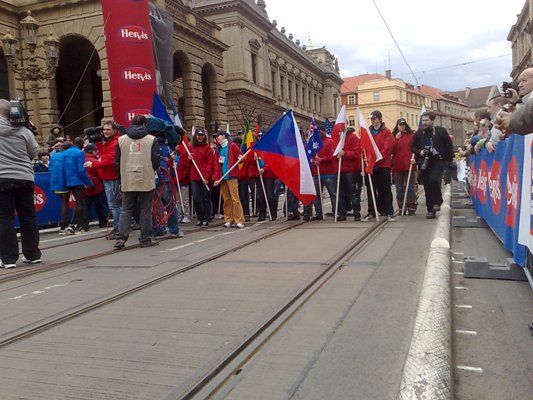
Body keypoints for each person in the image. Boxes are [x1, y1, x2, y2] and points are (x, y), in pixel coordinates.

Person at [0, 98, 41, 268]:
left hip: (2, 179)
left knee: (4, 219)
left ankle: (8, 258)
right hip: (24, 178)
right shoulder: (24, 131)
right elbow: (34, 152)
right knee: (28, 217)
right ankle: (32, 255)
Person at [114, 115, 161, 248]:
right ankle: (145, 238)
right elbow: (156, 161)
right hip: (146, 178)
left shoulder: (121, 140)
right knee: (145, 210)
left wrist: (120, 179)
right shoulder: (152, 139)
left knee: (126, 209)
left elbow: (116, 162)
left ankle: (121, 238)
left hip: (127, 178)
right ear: (145, 125)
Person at [412, 111, 454, 219]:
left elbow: (449, 145)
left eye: (426, 120)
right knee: (427, 185)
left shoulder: (441, 131)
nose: (424, 122)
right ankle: (430, 210)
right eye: (423, 120)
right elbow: (413, 147)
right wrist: (419, 152)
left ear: (432, 120)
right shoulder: (419, 133)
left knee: (433, 179)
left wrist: (448, 160)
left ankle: (438, 200)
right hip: (425, 162)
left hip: (438, 161)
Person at [85, 120, 122, 239]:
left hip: (112, 176)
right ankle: (119, 227)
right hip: (108, 176)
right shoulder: (109, 142)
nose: (105, 132)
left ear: (114, 130)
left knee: (114, 204)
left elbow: (109, 160)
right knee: (114, 204)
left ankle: (119, 229)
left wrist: (93, 164)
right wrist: (99, 143)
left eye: (108, 130)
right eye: (104, 129)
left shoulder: (115, 142)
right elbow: (103, 155)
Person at [363, 110, 395, 222]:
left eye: (375, 119)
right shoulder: (368, 132)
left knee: (385, 189)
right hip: (371, 165)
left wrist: (376, 158)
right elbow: (365, 147)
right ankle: (371, 211)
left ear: (380, 119)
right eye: (371, 119)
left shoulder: (387, 132)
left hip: (383, 165)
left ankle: (389, 211)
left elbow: (387, 149)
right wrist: (367, 157)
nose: (373, 121)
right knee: (371, 189)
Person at [213, 130, 245, 228]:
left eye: (218, 136)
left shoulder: (232, 146)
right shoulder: (218, 149)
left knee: (235, 199)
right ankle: (228, 219)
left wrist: (240, 157)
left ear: (223, 136)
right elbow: (217, 165)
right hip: (223, 177)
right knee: (226, 199)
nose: (216, 138)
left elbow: (240, 157)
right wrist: (216, 178)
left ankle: (239, 220)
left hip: (232, 176)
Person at [62, 137, 92, 233]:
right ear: (81, 144)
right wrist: (88, 182)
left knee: (75, 202)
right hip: (78, 181)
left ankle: (73, 224)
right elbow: (81, 170)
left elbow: (62, 169)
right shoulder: (79, 153)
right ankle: (80, 225)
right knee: (79, 203)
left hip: (68, 181)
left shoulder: (65, 153)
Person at [334, 127, 362, 221]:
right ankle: (342, 213)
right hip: (339, 169)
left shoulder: (353, 137)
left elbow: (356, 153)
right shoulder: (336, 138)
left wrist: (345, 153)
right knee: (340, 193)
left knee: (352, 192)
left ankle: (357, 213)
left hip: (350, 169)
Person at [496, 67, 533, 135]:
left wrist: (511, 120)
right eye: (519, 82)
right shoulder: (525, 101)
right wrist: (516, 101)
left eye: (524, 80)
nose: (519, 85)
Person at [391, 118, 417, 215]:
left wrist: (415, 160)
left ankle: (411, 206)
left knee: (410, 188)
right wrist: (395, 139)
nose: (402, 126)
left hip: (409, 165)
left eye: (403, 124)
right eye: (400, 125)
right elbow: (391, 150)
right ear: (397, 126)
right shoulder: (393, 136)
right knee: (399, 189)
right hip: (397, 166)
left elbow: (415, 148)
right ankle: (401, 207)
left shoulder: (411, 136)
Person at [189, 127, 214, 227]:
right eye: (199, 135)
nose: (200, 137)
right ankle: (199, 217)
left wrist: (207, 177)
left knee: (206, 198)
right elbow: (187, 164)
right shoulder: (191, 148)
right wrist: (188, 158)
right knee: (196, 198)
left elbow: (210, 163)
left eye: (202, 135)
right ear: (196, 136)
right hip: (194, 177)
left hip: (204, 177)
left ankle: (206, 218)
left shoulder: (207, 148)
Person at [82, 144, 108, 231]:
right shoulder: (95, 161)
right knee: (99, 205)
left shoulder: (81, 160)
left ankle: (85, 224)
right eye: (95, 150)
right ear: (91, 151)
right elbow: (100, 174)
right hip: (97, 185)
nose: (96, 152)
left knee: (86, 206)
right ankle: (102, 222)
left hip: (85, 185)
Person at [49, 141, 72, 234]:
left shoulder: (54, 156)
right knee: (65, 202)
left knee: (63, 202)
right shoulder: (66, 155)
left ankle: (63, 222)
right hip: (64, 181)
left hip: (55, 181)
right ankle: (64, 223)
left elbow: (50, 168)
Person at [175, 134, 192, 223]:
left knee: (185, 199)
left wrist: (183, 176)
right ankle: (179, 215)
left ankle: (187, 215)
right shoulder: (174, 155)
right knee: (177, 200)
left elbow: (186, 167)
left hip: (183, 180)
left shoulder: (184, 155)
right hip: (175, 180)